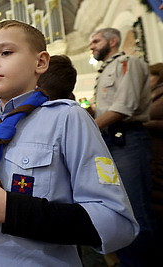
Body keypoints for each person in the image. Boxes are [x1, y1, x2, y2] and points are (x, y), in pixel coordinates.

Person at [0, 20, 139, 267]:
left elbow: (116, 224)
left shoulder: (67, 118)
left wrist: (9, 209)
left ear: (41, 62)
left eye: (6, 52)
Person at [89, 27, 155, 266]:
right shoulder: (107, 68)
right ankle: (127, 259)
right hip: (111, 139)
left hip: (128, 139)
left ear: (113, 41)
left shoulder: (129, 63)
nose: (92, 46)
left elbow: (125, 107)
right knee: (119, 204)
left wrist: (89, 127)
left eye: (96, 41)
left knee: (136, 208)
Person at [144, 62, 163, 249]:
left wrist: (148, 124)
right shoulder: (152, 95)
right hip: (153, 150)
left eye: (152, 75)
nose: (148, 79)